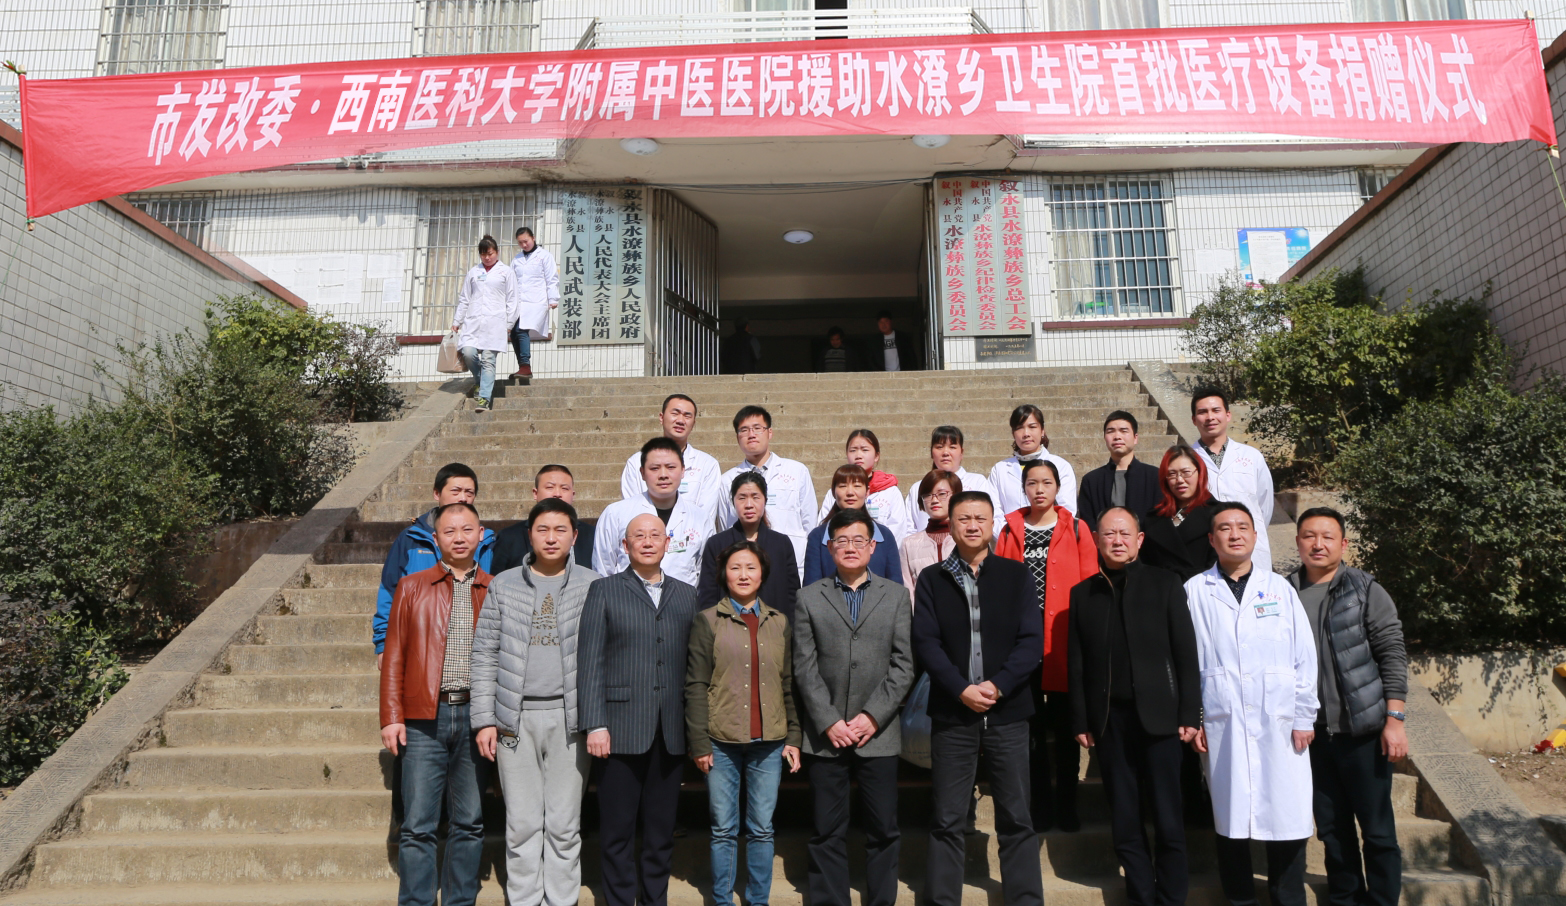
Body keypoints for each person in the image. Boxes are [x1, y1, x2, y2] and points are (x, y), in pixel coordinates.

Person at [912, 491, 1044, 906]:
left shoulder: (1016, 575)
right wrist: (960, 688)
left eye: (980, 518)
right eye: (964, 518)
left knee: (1016, 816)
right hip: (953, 713)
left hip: (1009, 712)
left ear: (992, 525)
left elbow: (1031, 641)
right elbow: (926, 642)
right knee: (947, 818)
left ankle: (1025, 899)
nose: (972, 525)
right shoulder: (932, 579)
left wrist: (998, 685)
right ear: (951, 526)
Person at [1067, 507, 1202, 906]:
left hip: (1162, 719)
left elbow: (1185, 653)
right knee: (1125, 817)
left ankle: (1172, 897)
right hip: (1110, 722)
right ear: (1097, 540)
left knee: (1168, 816)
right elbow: (1077, 664)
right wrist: (1081, 718)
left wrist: (1189, 712)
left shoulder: (1165, 583)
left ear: (1140, 540)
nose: (1117, 540)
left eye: (1125, 533)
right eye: (1109, 534)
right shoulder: (1083, 594)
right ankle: (1142, 895)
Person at [1186, 501, 1318, 906]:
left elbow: (1304, 657)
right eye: (1225, 528)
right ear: (1212, 539)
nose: (1235, 534)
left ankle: (1288, 897)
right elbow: (1188, 661)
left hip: (1281, 723)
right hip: (1222, 721)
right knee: (1230, 817)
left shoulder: (1279, 589)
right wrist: (1196, 717)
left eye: (1243, 526)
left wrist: (1304, 715)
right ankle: (1240, 899)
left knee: (1287, 815)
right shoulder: (1195, 591)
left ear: (1256, 536)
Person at [471, 498, 599, 906]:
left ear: (574, 536)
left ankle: (562, 900)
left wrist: (597, 719)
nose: (551, 538)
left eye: (560, 530)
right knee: (522, 823)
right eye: (542, 529)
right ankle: (524, 899)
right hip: (515, 718)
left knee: (564, 824)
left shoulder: (593, 584)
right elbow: (484, 653)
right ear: (529, 535)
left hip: (570, 719)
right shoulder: (504, 584)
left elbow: (601, 656)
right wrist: (484, 720)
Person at [793, 508, 916, 906]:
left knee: (883, 828)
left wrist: (872, 716)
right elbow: (804, 666)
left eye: (859, 540)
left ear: (873, 546)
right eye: (841, 541)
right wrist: (828, 720)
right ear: (829, 548)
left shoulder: (895, 596)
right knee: (827, 830)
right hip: (826, 736)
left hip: (878, 733)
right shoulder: (808, 597)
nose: (850, 547)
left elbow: (904, 664)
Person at [579, 514, 701, 906]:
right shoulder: (604, 590)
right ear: (625, 545)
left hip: (671, 730)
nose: (647, 542)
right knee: (617, 832)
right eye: (638, 536)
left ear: (667, 542)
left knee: (661, 832)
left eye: (654, 535)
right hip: (618, 729)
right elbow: (590, 661)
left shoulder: (687, 594)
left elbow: (695, 666)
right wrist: (594, 723)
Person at [1288, 507, 1408, 906]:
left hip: (1363, 732)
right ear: (1298, 542)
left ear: (1343, 543)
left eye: (1327, 536)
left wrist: (1395, 718)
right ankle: (1346, 899)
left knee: (1377, 830)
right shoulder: (1283, 593)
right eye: (1309, 536)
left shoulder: (1366, 589)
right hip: (1312, 736)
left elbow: (1392, 653)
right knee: (1332, 830)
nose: (1318, 544)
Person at [379, 502, 492, 906]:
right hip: (424, 718)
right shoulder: (412, 587)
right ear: (436, 538)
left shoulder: (495, 588)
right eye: (449, 531)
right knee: (418, 825)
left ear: (481, 535)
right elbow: (394, 655)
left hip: (477, 716)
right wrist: (392, 716)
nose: (459, 538)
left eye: (467, 530)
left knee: (469, 821)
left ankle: (460, 899)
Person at [685, 540, 803, 906]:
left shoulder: (779, 622)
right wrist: (699, 743)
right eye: (735, 567)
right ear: (724, 574)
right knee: (723, 829)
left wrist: (794, 737)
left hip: (769, 741)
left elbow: (788, 683)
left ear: (762, 574)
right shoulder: (708, 620)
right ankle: (722, 900)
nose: (743, 574)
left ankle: (758, 900)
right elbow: (696, 684)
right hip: (720, 740)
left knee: (762, 829)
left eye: (751, 567)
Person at [993, 458, 1097, 831]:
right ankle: (1039, 806)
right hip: (1023, 644)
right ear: (1023, 488)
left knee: (1068, 729)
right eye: (1032, 483)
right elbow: (999, 587)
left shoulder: (1078, 529)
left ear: (1057, 487)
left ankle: (1067, 806)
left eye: (1046, 482)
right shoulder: (1009, 530)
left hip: (1065, 641)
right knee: (1031, 731)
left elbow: (1090, 585)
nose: (1039, 489)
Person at [375, 463, 496, 670]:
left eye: (469, 492)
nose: (463, 498)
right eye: (455, 491)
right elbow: (389, 592)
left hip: (473, 646)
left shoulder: (487, 542)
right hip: (420, 647)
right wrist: (383, 644)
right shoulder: (411, 538)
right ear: (436, 493)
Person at [594, 437, 719, 586]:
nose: (663, 475)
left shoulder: (701, 518)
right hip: (625, 598)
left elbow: (705, 574)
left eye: (671, 467)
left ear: (682, 471)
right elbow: (602, 569)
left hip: (682, 600)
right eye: (654, 468)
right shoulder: (615, 514)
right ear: (642, 473)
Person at [717, 406, 818, 575]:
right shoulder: (727, 480)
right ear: (737, 437)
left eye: (757, 428)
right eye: (744, 430)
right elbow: (724, 525)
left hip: (791, 565)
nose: (751, 434)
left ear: (769, 433)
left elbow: (810, 521)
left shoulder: (797, 471)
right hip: (745, 570)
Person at [1190, 387, 1276, 573]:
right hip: (1205, 550)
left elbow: (1264, 506)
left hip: (1250, 552)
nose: (1210, 417)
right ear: (1194, 419)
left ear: (1228, 415)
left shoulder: (1251, 456)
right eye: (1203, 412)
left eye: (1216, 410)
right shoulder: (1186, 460)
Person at [697, 472, 801, 620]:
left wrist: (788, 628)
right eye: (742, 498)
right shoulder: (717, 544)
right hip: (727, 628)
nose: (749, 505)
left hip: (774, 627)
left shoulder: (781, 544)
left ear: (765, 500)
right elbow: (708, 595)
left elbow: (792, 594)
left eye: (755, 497)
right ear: (733, 502)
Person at [802, 466, 903, 586]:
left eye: (857, 486)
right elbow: (811, 589)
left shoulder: (884, 535)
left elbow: (896, 587)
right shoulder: (818, 536)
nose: (850, 493)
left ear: (867, 491)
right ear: (833, 492)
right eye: (843, 486)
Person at [619, 394, 723, 509]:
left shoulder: (708, 464)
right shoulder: (635, 462)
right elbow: (631, 509)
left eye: (687, 416)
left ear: (693, 423)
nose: (680, 420)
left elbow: (706, 514)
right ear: (661, 418)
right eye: (675, 413)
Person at [453, 235, 519, 412]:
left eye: (490, 254)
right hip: (474, 321)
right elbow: (465, 298)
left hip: (495, 323)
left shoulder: (506, 272)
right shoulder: (474, 272)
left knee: (489, 359)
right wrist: (457, 321)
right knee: (468, 353)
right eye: (483, 255)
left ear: (497, 252)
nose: (487, 258)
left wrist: (509, 324)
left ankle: (484, 399)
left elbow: (513, 300)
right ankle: (480, 380)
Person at [490, 465, 595, 574]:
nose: (557, 494)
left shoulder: (592, 535)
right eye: (550, 487)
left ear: (573, 495)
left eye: (564, 488)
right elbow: (497, 578)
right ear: (535, 493)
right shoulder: (509, 537)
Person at [1140, 445, 1219, 582]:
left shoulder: (1219, 514)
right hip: (1163, 589)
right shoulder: (1153, 518)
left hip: (1205, 588)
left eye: (1186, 472)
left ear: (1200, 473)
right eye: (1172, 474)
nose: (1180, 480)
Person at [815, 429, 911, 542]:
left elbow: (898, 531)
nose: (858, 455)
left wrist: (875, 549)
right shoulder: (836, 492)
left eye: (865, 450)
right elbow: (824, 526)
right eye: (853, 450)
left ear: (876, 456)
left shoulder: (890, 491)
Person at [1077, 410, 1162, 532]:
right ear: (1105, 437)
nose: (1117, 436)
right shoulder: (1091, 481)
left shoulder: (1154, 477)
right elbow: (1088, 524)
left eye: (1124, 431)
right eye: (1110, 431)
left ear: (1135, 438)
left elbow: (1159, 521)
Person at [989, 405, 1078, 518]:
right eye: (1019, 428)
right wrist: (1011, 529)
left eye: (1032, 427)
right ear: (1013, 433)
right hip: (1008, 529)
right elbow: (994, 513)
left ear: (1042, 431)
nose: (1026, 433)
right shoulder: (999, 469)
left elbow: (1067, 510)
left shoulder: (1061, 466)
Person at [906, 426, 998, 533]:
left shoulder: (977, 482)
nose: (946, 452)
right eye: (939, 447)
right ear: (931, 452)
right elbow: (909, 527)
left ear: (961, 452)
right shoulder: (918, 487)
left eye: (952, 447)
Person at [899, 469, 962, 594]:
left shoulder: (967, 538)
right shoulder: (908, 544)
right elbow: (908, 590)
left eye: (942, 494)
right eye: (927, 495)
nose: (934, 500)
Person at [510, 226, 559, 380]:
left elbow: (552, 278)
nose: (524, 245)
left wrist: (553, 298)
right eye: (520, 243)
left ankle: (525, 366)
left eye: (526, 241)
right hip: (519, 301)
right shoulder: (517, 259)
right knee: (514, 332)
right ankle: (523, 367)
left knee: (521, 329)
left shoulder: (545, 256)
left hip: (536, 300)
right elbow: (511, 281)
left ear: (533, 238)